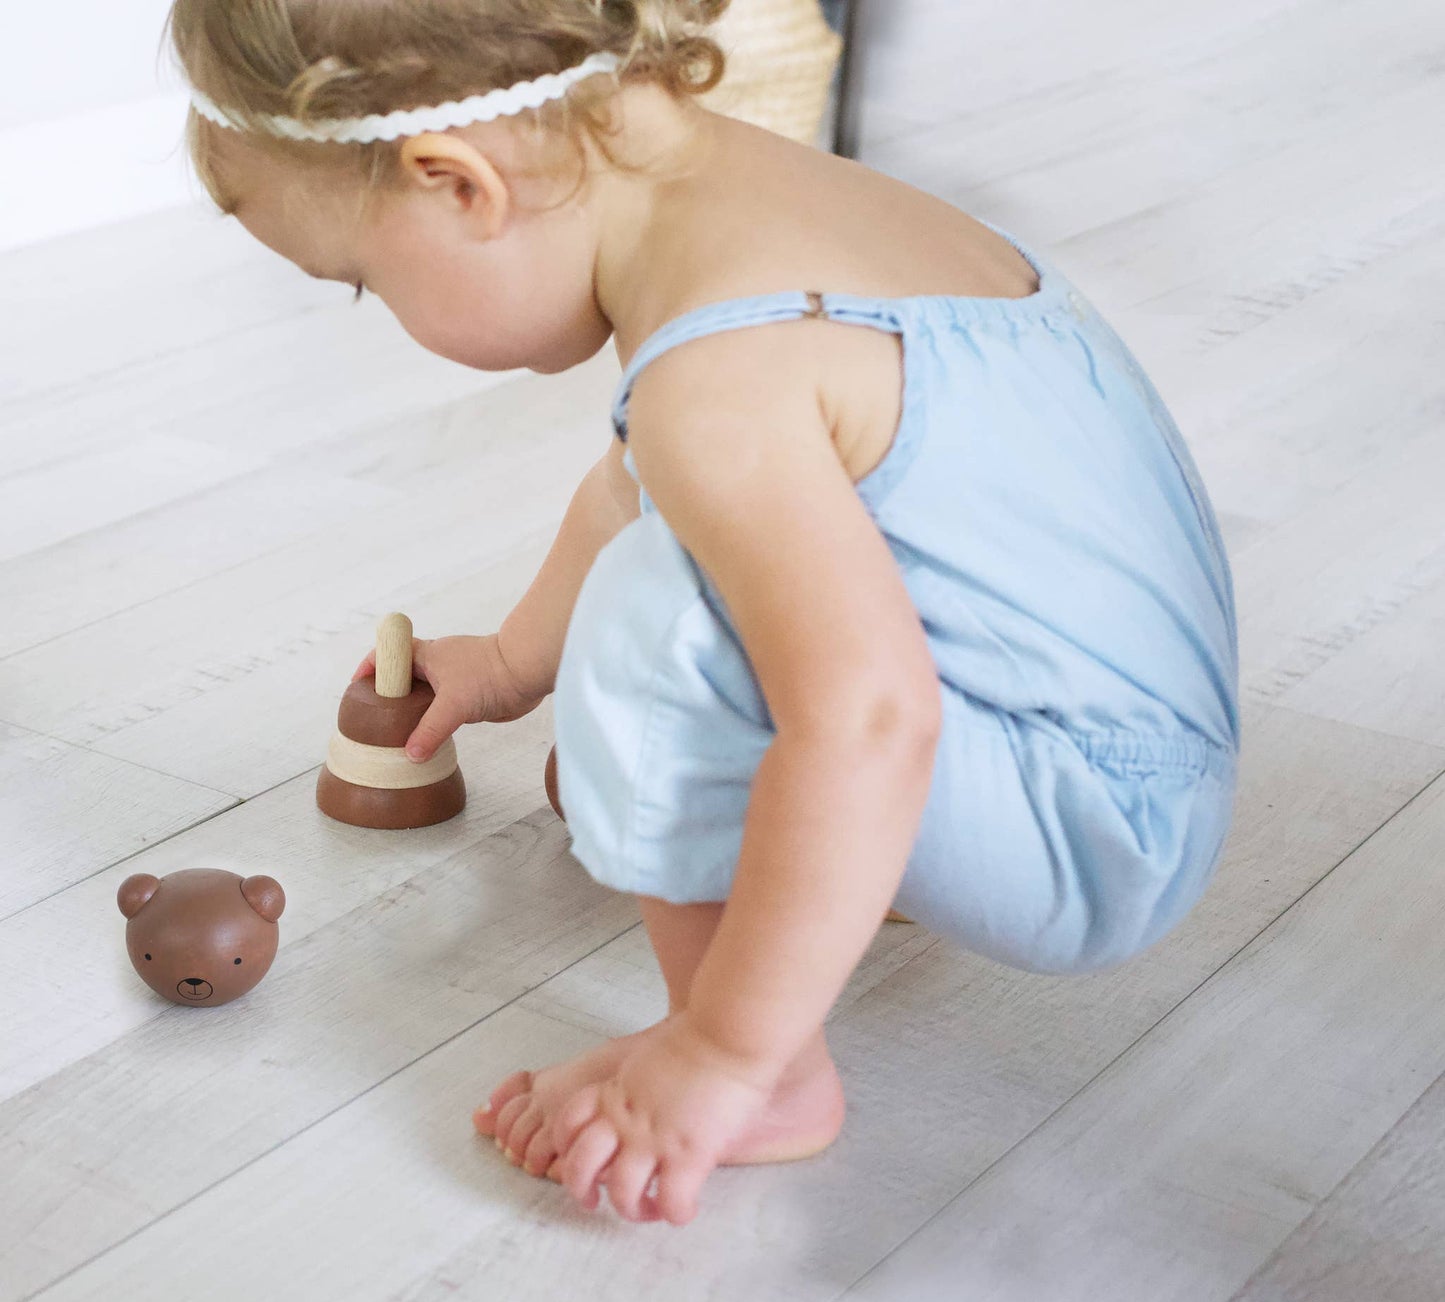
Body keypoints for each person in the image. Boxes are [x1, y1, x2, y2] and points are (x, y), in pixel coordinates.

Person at [168, 0, 1239, 1226]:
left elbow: (870, 716)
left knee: (658, 629)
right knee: (662, 649)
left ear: (457, 185)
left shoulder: (714, 383)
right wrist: (519, 661)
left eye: (361, 281)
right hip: (1121, 752)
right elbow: (644, 486)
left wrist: (719, 1053)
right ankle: (840, 871)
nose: (380, 309)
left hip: (1088, 830)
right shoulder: (785, 214)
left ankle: (769, 1074)